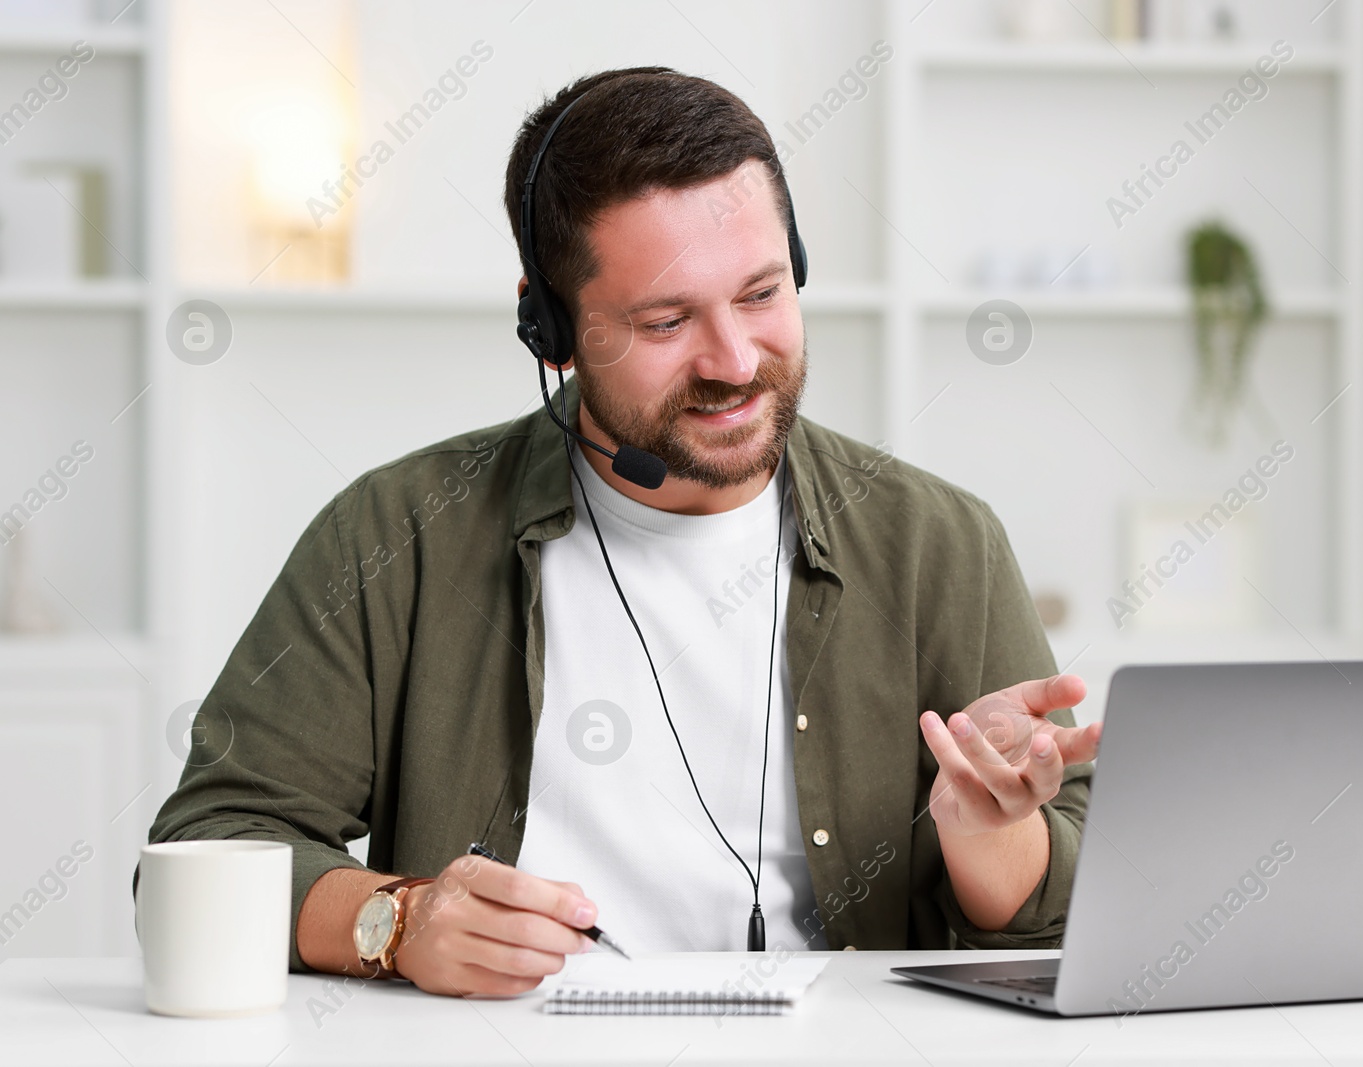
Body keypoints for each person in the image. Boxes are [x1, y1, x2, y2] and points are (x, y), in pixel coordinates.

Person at [142, 66, 1100, 998]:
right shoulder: (395, 533)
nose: (734, 361)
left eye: (763, 295)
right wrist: (399, 921)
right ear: (550, 330)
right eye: (666, 320)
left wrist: (990, 836)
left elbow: (1068, 914)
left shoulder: (942, 543)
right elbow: (203, 850)